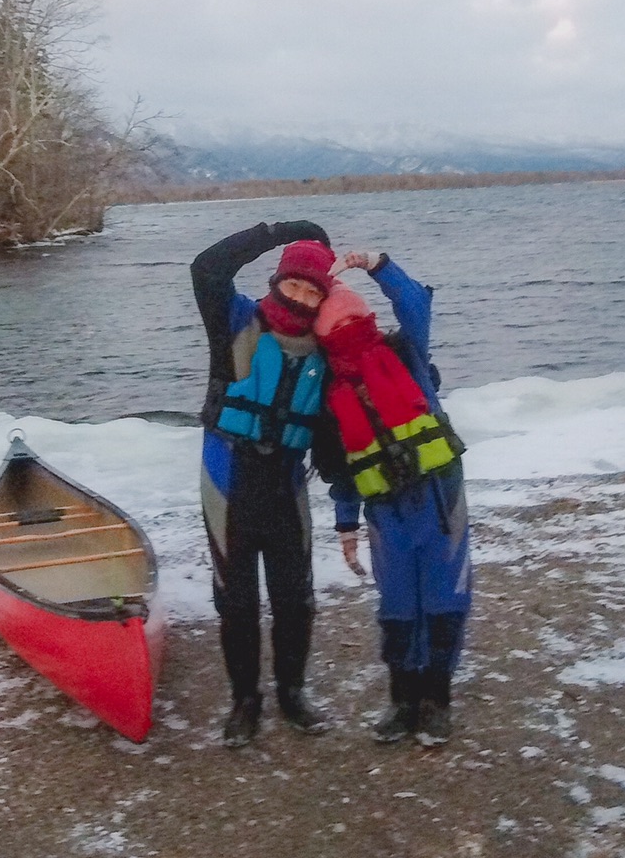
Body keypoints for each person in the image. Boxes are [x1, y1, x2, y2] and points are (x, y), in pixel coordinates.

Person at [312, 250, 471, 747]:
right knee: (398, 607)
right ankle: (403, 700)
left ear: (372, 319)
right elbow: (341, 471)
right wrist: (345, 526)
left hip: (440, 500)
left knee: (445, 603)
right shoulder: (329, 396)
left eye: (359, 318)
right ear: (321, 338)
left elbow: (416, 305)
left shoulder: (407, 354)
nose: (353, 327)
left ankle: (437, 699)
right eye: (340, 323)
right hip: (385, 512)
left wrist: (377, 264)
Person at [191, 220, 338, 748]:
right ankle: (244, 701)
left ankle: (292, 693)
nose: (300, 296)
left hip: (285, 485)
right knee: (237, 601)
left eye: (312, 289)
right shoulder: (233, 320)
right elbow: (207, 268)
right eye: (293, 283)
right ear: (277, 281)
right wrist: (278, 233)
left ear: (323, 295)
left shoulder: (326, 349)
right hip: (228, 478)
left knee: (295, 598)